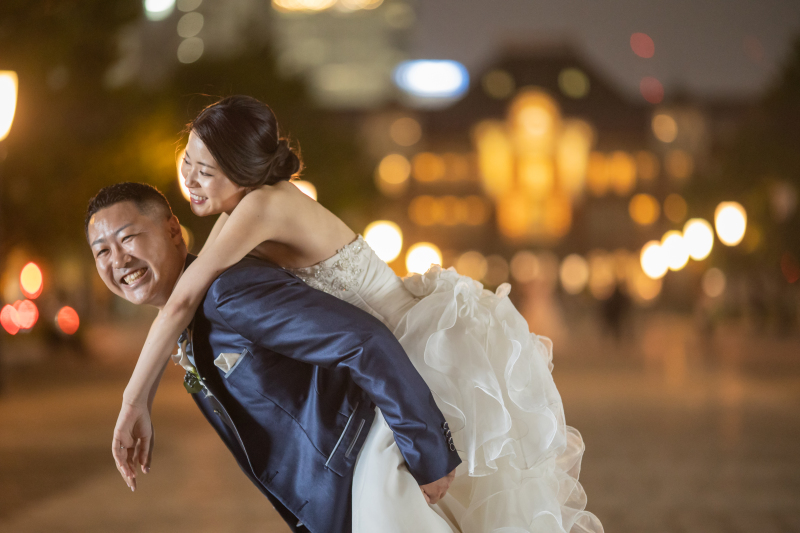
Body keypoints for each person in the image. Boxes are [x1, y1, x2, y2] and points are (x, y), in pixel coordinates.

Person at [113, 95, 603, 533]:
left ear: (242, 170)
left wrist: (134, 403)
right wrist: (142, 398)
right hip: (386, 354)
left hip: (410, 344)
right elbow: (186, 299)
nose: (190, 181)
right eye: (188, 162)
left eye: (206, 171)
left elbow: (184, 301)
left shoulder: (261, 207)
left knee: (440, 501)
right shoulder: (239, 212)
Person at [85, 182, 461, 533]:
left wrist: (428, 456)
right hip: (334, 502)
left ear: (172, 230)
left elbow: (363, 341)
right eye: (102, 251)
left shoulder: (227, 293)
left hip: (370, 479)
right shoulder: (188, 320)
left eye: (128, 238)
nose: (118, 259)